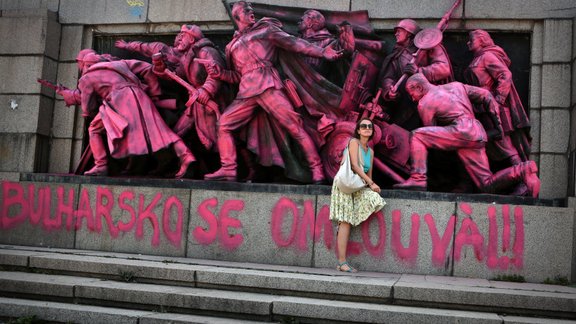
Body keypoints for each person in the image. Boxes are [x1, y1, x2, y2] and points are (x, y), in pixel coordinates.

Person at [203, 1, 342, 182]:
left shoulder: (266, 30)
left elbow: (295, 43)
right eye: (246, 10)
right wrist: (221, 74)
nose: (251, 12)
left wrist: (322, 52)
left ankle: (317, 170)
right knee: (223, 124)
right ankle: (229, 168)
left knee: (294, 126)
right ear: (236, 16)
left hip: (268, 86)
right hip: (246, 93)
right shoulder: (232, 46)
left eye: (251, 9)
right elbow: (239, 76)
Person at [393, 74, 540, 198]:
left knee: (418, 135)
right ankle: (523, 170)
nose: (413, 99)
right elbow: (487, 95)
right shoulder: (457, 86)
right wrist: (498, 126)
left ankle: (418, 179)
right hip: (477, 132)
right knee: (486, 185)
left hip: (461, 131)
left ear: (419, 87)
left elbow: (431, 132)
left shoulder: (424, 103)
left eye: (411, 94)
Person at [66, 52, 194, 178]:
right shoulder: (120, 64)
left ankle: (101, 165)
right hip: (140, 96)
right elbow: (147, 68)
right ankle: (186, 155)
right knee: (160, 131)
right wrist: (155, 94)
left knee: (94, 128)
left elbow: (88, 108)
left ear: (84, 65)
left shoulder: (86, 78)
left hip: (119, 101)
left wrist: (90, 102)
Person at [464, 29, 531, 166]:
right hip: (479, 108)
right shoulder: (477, 58)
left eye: (472, 40)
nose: (468, 43)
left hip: (491, 108)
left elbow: (505, 75)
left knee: (505, 146)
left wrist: (498, 99)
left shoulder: (488, 56)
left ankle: (525, 178)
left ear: (482, 40)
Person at [330, 118, 386, 272]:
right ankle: (342, 263)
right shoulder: (353, 142)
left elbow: (369, 174)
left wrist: (370, 184)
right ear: (359, 130)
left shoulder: (371, 152)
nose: (367, 128)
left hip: (358, 186)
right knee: (346, 221)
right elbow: (354, 165)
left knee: (375, 199)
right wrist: (371, 183)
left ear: (372, 131)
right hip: (346, 184)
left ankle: (345, 222)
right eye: (364, 126)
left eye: (370, 127)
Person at [377, 19, 452, 131]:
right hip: (403, 104)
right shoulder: (396, 55)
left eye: (399, 31)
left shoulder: (429, 47)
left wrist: (418, 72)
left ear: (409, 33)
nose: (396, 34)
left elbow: (443, 68)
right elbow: (388, 77)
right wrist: (389, 90)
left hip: (427, 100)